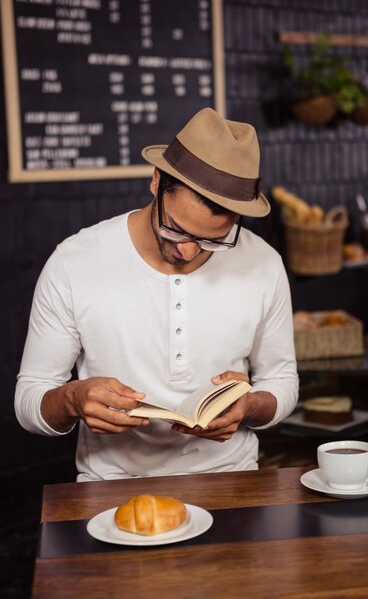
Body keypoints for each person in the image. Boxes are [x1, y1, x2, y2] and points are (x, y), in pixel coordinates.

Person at [15, 107, 298, 482]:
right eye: (176, 230)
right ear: (156, 181)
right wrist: (72, 400)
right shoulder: (75, 262)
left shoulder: (264, 263)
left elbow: (282, 379)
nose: (189, 251)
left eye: (214, 241)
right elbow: (29, 400)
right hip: (111, 486)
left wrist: (248, 407)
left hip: (231, 481)